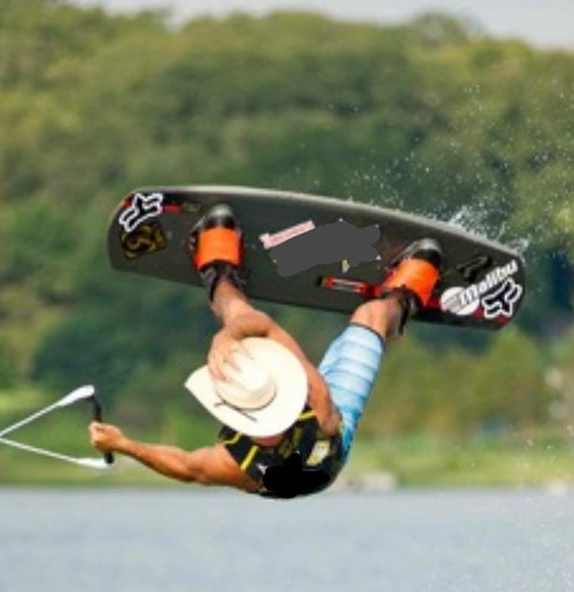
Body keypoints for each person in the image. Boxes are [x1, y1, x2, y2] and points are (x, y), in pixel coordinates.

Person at [89, 204, 442, 498]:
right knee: (371, 315)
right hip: (337, 432)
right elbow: (189, 468)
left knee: (238, 316)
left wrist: (224, 339)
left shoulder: (236, 455)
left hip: (309, 430)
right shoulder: (317, 407)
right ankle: (403, 302)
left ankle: (218, 269)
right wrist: (125, 446)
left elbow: (187, 466)